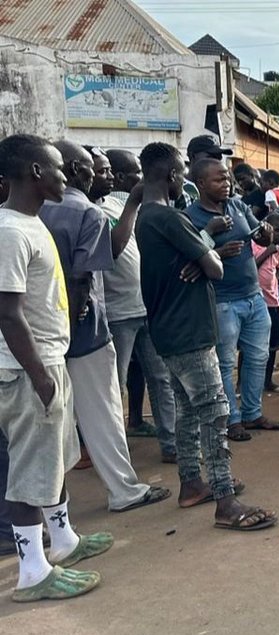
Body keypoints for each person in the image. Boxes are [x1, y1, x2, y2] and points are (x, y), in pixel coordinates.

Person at [137, 142, 277, 531]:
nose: (184, 180)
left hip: (166, 328)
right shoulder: (171, 219)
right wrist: (206, 256)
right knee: (215, 412)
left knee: (187, 411)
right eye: (182, 172)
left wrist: (200, 258)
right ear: (172, 177)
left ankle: (191, 484)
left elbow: (202, 261)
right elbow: (214, 266)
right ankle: (225, 501)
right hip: (190, 329)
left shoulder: (145, 216)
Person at [0, 134, 111, 600]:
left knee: (54, 461)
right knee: (30, 471)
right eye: (58, 167)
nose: (66, 174)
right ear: (35, 173)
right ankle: (32, 572)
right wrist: (41, 375)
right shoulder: (9, 230)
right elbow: (8, 312)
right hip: (29, 370)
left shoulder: (32, 221)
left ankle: (63, 541)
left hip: (48, 359)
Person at [40, 140, 170, 512]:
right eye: (97, 169)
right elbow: (85, 276)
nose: (105, 176)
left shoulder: (27, 212)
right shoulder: (86, 213)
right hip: (84, 333)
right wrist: (72, 325)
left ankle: (53, 511)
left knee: (52, 423)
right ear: (75, 171)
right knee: (103, 412)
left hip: (42, 337)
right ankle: (124, 491)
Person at [184, 159, 279, 442]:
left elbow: (261, 236)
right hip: (222, 301)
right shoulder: (190, 216)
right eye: (219, 180)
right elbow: (187, 257)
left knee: (257, 357)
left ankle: (253, 413)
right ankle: (232, 419)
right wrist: (217, 249)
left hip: (253, 296)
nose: (226, 184)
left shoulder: (238, 206)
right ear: (201, 184)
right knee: (225, 362)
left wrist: (266, 234)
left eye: (227, 179)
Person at [95, 148, 177, 464]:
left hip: (146, 305)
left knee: (161, 378)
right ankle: (114, 455)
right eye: (134, 174)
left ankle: (171, 443)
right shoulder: (100, 209)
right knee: (114, 387)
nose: (140, 179)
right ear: (119, 177)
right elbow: (114, 248)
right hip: (117, 313)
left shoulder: (145, 204)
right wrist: (133, 202)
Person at [254, 213, 279, 394]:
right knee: (250, 345)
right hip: (256, 302)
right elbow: (251, 267)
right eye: (278, 230)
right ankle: (242, 384)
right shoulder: (255, 245)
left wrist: (276, 279)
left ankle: (267, 381)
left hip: (272, 302)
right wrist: (268, 251)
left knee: (273, 346)